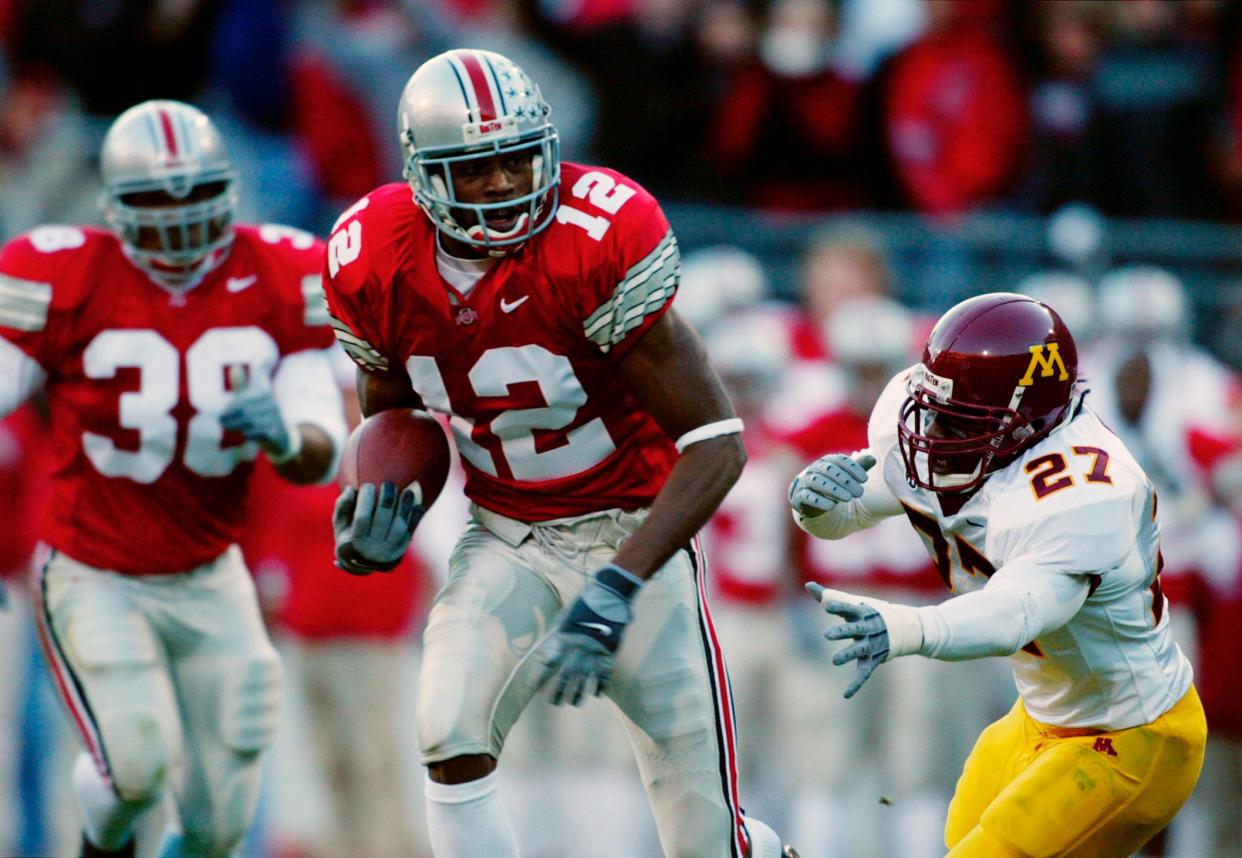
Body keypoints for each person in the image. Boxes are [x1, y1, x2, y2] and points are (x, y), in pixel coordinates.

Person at [323, 48, 794, 858]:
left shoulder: (599, 233)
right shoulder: (372, 255)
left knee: (703, 834)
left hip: (635, 529)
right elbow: (396, 423)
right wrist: (377, 512)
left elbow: (716, 442)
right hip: (508, 532)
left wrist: (619, 583)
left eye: (517, 160)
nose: (505, 184)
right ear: (424, 175)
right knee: (446, 729)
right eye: (476, 170)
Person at [0, 99, 348, 858]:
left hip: (207, 572)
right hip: (94, 568)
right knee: (135, 764)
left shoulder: (281, 274)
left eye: (195, 195)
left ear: (227, 189)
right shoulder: (65, 275)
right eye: (157, 200)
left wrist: (287, 438)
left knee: (220, 825)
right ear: (114, 207)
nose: (180, 219)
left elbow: (322, 448)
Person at [787, 292, 1206, 857]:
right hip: (1039, 713)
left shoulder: (1083, 492)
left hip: (1129, 734)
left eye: (957, 424)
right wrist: (813, 503)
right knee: (958, 839)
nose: (931, 435)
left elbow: (1017, 612)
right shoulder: (938, 423)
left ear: (1027, 426)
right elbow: (856, 509)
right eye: (930, 414)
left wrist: (906, 629)